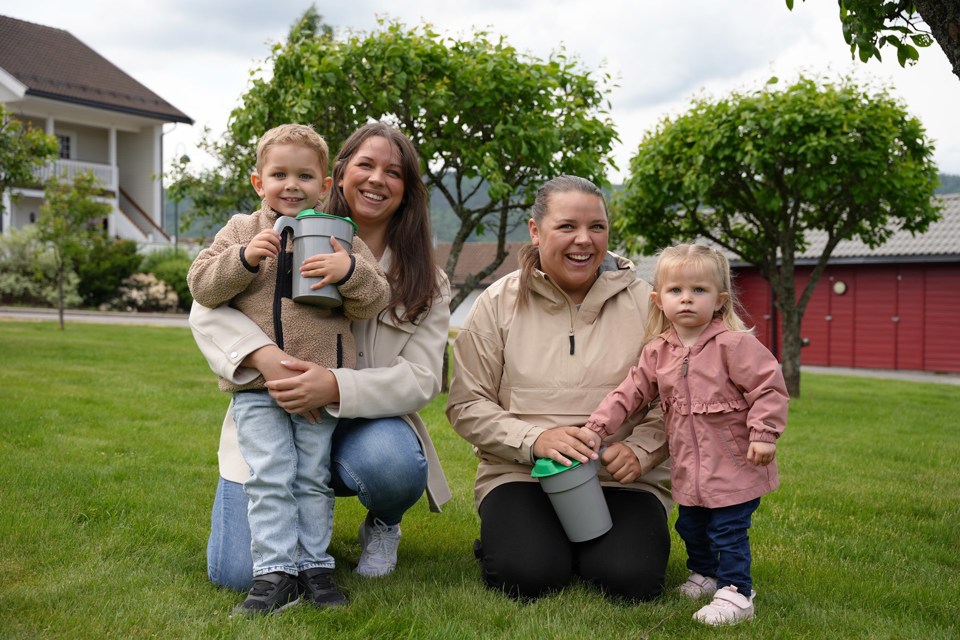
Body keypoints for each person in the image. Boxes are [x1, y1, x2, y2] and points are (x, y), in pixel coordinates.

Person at [189, 122, 451, 595]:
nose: (377, 179)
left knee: (392, 463)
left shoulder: (425, 277)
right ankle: (286, 554)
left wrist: (334, 387)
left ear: (408, 190)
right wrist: (267, 361)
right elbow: (204, 305)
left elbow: (423, 378)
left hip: (367, 425)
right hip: (273, 400)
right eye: (366, 165)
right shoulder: (266, 229)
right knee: (233, 574)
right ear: (341, 174)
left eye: (394, 172)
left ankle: (374, 528)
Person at [446, 175, 672, 602]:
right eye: (567, 226)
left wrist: (642, 449)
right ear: (535, 231)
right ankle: (523, 542)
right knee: (525, 576)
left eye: (597, 227)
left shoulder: (649, 304)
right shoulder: (496, 302)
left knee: (631, 581)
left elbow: (676, 398)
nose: (583, 241)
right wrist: (535, 440)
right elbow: (466, 403)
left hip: (622, 478)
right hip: (521, 472)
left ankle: (592, 549)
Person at [582, 243, 788, 626]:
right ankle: (706, 574)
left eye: (699, 291)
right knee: (690, 525)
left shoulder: (734, 345)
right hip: (689, 466)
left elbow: (768, 387)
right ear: (659, 300)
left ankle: (737, 591)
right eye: (676, 291)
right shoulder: (659, 351)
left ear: (720, 300)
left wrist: (764, 432)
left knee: (728, 529)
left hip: (733, 463)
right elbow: (630, 392)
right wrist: (597, 426)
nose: (687, 299)